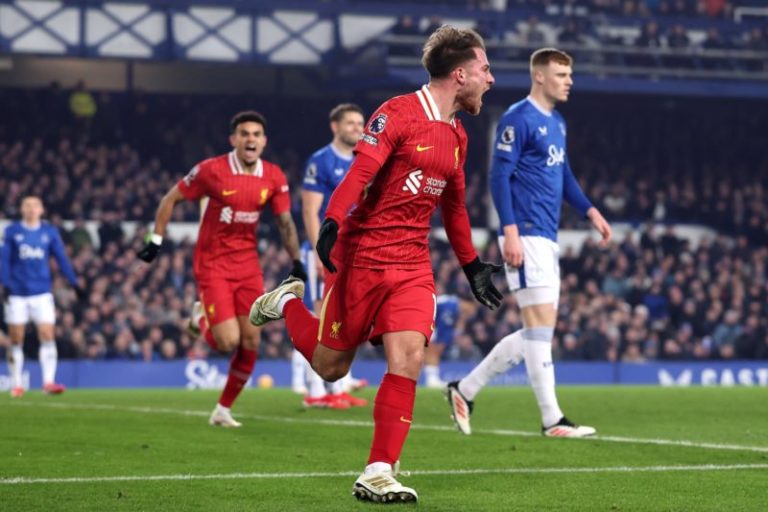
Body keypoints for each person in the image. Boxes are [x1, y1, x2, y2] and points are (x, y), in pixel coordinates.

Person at [249, 25, 502, 503]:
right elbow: (360, 172)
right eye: (485, 70)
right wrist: (330, 222)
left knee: (407, 358)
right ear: (461, 73)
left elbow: (455, 206)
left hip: (412, 264)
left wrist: (471, 265)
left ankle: (378, 470)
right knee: (329, 368)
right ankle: (286, 304)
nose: (490, 79)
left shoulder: (458, 135)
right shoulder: (397, 113)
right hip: (362, 255)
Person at [446, 48, 612, 438]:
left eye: (569, 74)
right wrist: (510, 230)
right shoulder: (518, 119)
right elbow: (497, 177)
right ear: (539, 76)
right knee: (539, 330)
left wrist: (590, 211)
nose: (568, 80)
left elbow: (564, 174)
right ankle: (551, 419)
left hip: (547, 236)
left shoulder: (556, 122)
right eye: (560, 74)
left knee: (538, 333)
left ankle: (465, 389)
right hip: (527, 233)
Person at [137, 111, 305, 427]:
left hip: (247, 265)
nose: (251, 139)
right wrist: (156, 240)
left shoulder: (274, 176)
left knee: (252, 341)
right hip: (212, 263)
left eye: (256, 134)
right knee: (227, 342)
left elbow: (284, 222)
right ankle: (199, 318)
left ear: (264, 141)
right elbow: (170, 199)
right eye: (244, 134)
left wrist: (296, 261)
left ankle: (223, 410)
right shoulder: (211, 171)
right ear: (234, 140)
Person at [295, 103, 368, 409]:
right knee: (320, 313)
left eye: (361, 123)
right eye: (350, 123)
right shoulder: (321, 161)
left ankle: (336, 387)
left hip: (355, 250)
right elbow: (311, 211)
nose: (358, 127)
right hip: (327, 248)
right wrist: (317, 249)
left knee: (344, 317)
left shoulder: (365, 160)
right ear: (334, 127)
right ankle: (315, 390)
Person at [1, 196, 85, 397]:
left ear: (41, 210)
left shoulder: (49, 232)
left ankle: (48, 382)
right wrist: (4, 285)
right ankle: (16, 383)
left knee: (47, 335)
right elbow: (3, 260)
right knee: (16, 339)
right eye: (27, 205)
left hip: (42, 293)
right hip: (18, 293)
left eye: (35, 205)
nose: (31, 209)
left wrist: (74, 283)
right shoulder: (12, 232)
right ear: (22, 209)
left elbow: (61, 259)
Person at [423, 288, 466, 389]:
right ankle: (431, 379)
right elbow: (443, 324)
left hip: (427, 320)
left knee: (429, 351)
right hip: (426, 321)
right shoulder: (451, 305)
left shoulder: (451, 302)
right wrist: (441, 340)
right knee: (433, 350)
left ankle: (432, 378)